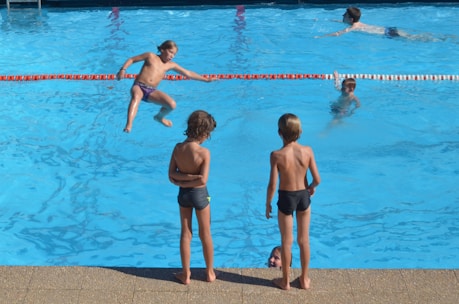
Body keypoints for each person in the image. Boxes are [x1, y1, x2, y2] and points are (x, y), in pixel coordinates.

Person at [266, 113, 321, 290]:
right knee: (304, 240)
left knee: (286, 241)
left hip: (286, 197)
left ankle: (285, 281)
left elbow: (273, 184)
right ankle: (304, 279)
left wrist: (268, 203)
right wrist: (311, 187)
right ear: (300, 131)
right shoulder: (308, 151)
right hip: (303, 196)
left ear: (279, 132)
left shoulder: (276, 155)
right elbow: (317, 179)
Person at [116, 40, 214, 133]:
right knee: (136, 97)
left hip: (151, 91)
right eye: (171, 52)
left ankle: (159, 117)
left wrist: (205, 79)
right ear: (162, 49)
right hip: (139, 86)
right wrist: (123, 69)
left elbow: (188, 73)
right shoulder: (150, 56)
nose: (172, 56)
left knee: (172, 105)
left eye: (174, 54)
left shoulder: (170, 65)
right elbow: (132, 59)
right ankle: (129, 124)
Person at [168, 110, 217, 285]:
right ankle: (210, 273)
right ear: (203, 133)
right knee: (206, 234)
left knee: (186, 233)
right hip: (201, 195)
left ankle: (186, 274)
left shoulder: (178, 148)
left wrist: (183, 179)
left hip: (183, 194)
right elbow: (203, 179)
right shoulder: (204, 153)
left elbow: (171, 175)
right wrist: (193, 179)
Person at [321, 7, 434, 40]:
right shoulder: (357, 24)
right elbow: (343, 23)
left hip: (389, 34)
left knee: (416, 39)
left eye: (344, 15)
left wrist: (322, 36)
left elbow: (338, 34)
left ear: (350, 20)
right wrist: (330, 20)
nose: (342, 16)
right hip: (388, 29)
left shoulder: (353, 27)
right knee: (414, 36)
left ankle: (435, 39)